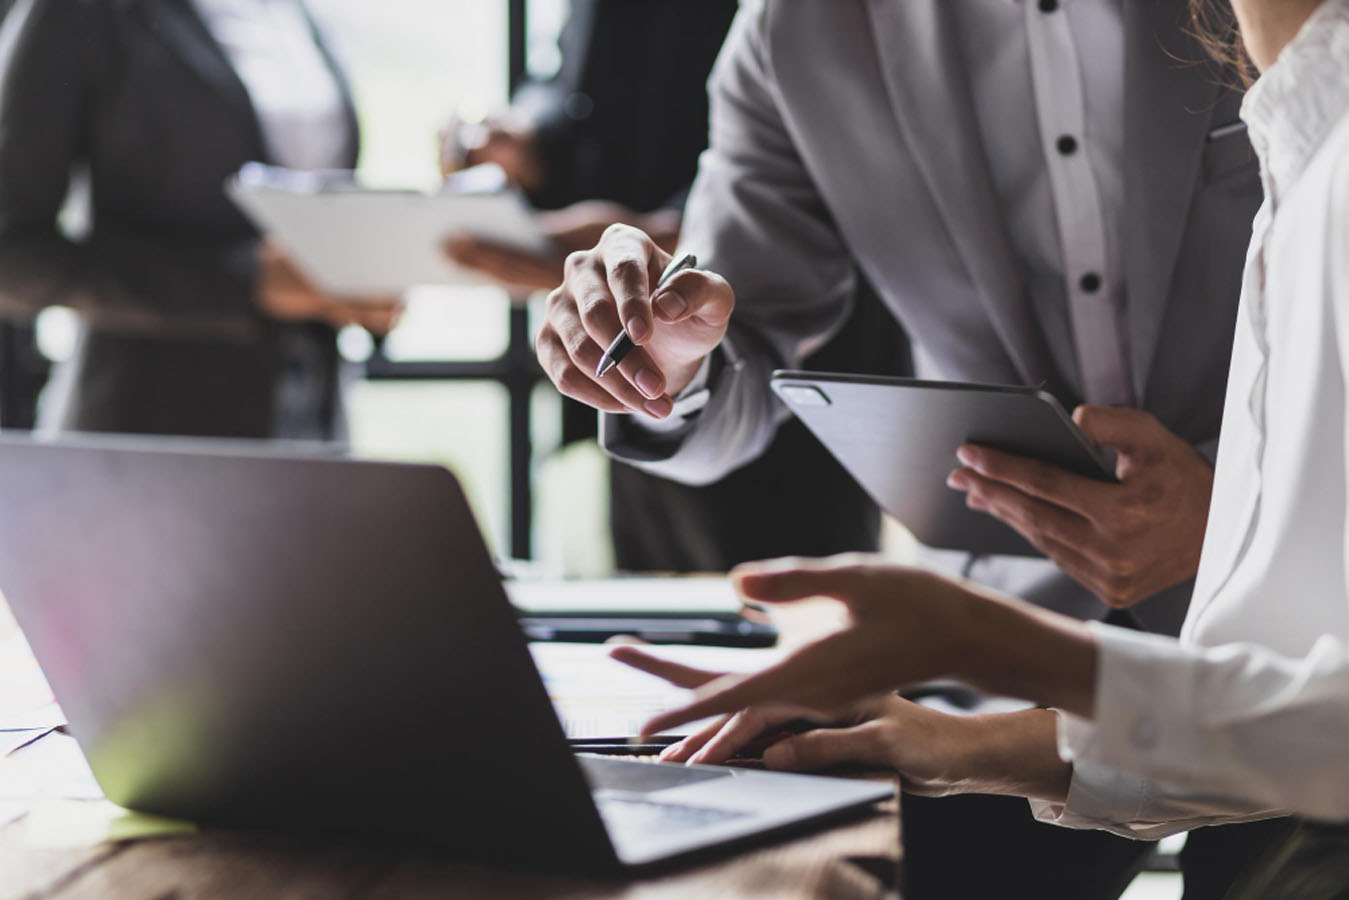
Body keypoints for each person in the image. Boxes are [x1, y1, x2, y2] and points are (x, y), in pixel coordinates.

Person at [531, 1, 1288, 897]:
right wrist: (660, 362)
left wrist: (1240, 525)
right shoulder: (799, 33)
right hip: (1003, 645)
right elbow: (731, 350)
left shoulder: (1280, 14)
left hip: (1306, 624)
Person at [445, 0, 906, 573]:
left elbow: (821, 130)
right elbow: (577, 71)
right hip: (641, 373)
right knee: (648, 620)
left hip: (795, 362)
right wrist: (530, 136)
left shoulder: (792, 21)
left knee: (793, 615)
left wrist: (682, 235)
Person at [0, 0, 398, 440]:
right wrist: (245, 282)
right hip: (148, 431)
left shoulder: (300, 16)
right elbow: (11, 255)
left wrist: (366, 274)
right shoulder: (81, 13)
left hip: (309, 416)